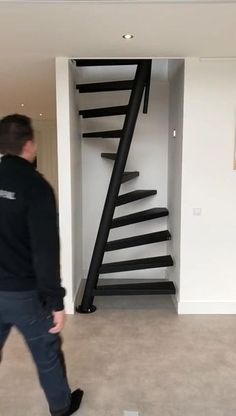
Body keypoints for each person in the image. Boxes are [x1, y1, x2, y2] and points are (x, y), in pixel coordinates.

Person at [0, 114, 83, 416]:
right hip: (24, 294)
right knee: (46, 352)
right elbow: (44, 252)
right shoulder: (36, 187)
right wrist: (56, 301)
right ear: (29, 144)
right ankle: (61, 407)